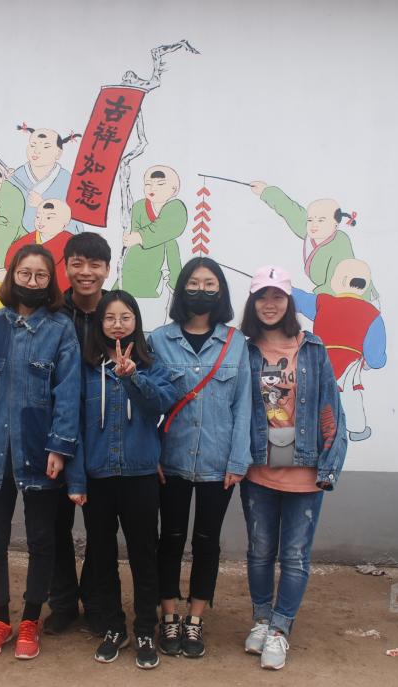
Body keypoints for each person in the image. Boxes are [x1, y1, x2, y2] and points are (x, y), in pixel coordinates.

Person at [0, 244, 81, 660]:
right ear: (12, 276)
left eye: (41, 275)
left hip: (39, 452)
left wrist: (60, 447)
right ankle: (0, 620)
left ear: (50, 282)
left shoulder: (60, 330)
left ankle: (30, 621)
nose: (32, 282)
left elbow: (68, 393)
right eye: (25, 274)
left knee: (42, 540)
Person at [240, 265, 348, 670]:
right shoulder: (245, 350)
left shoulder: (313, 349)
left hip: (304, 471)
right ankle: (261, 619)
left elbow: (331, 409)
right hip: (259, 470)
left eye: (277, 296)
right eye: (262, 297)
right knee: (259, 552)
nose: (269, 304)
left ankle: (281, 629)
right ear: (253, 303)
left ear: (288, 302)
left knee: (296, 556)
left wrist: (328, 466)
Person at [65, 290, 178, 668]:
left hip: (140, 476)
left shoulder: (151, 365)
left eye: (125, 317)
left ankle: (145, 628)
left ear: (136, 322)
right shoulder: (85, 368)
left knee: (144, 557)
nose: (117, 324)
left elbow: (161, 404)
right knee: (102, 556)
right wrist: (76, 480)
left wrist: (132, 377)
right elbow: (75, 426)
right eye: (110, 318)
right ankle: (114, 627)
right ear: (99, 324)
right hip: (97, 476)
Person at [148, 257, 252, 658]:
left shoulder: (235, 343)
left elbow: (243, 406)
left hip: (217, 462)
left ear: (221, 291)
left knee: (207, 542)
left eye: (210, 284)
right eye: (194, 283)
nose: (201, 290)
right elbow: (148, 402)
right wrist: (151, 454)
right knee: (170, 539)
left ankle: (195, 619)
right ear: (181, 289)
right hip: (170, 459)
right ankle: (169, 615)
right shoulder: (160, 340)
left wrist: (238, 461)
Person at [46, 232, 114, 635]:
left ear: (107, 269)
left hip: (104, 437)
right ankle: (63, 602)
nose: (85, 272)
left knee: (101, 527)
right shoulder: (53, 313)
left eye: (94, 264)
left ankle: (97, 602)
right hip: (57, 435)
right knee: (55, 524)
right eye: (77, 263)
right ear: (66, 266)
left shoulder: (117, 311)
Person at [292, 258, 386, 441]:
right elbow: (375, 354)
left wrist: (280, 287)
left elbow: (299, 300)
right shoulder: (372, 315)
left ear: (341, 281)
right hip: (350, 363)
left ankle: (312, 427)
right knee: (350, 396)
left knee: (316, 393)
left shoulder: (323, 303)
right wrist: (375, 362)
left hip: (322, 360)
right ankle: (357, 429)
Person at [249, 182, 377, 300]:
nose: (314, 225)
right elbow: (290, 210)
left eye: (321, 220)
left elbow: (335, 285)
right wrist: (266, 191)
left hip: (352, 297)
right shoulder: (312, 232)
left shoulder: (340, 244)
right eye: (310, 220)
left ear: (335, 224)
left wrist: (305, 299)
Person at [120, 165, 186, 298]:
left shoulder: (176, 207)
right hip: (138, 257)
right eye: (148, 184)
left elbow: (166, 228)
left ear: (174, 189)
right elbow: (134, 230)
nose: (153, 188)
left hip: (165, 257)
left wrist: (140, 237)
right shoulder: (139, 206)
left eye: (160, 184)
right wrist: (131, 238)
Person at [10, 126, 82, 235]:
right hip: (23, 237)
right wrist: (6, 182)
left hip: (57, 238)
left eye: (46, 147)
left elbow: (73, 217)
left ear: (58, 153)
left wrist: (42, 204)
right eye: (33, 145)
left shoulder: (66, 179)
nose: (36, 151)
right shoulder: (18, 175)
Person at [5, 199, 73, 292]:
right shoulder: (27, 240)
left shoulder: (71, 243)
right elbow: (9, 262)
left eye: (49, 218)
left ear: (64, 224)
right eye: (38, 216)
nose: (41, 221)